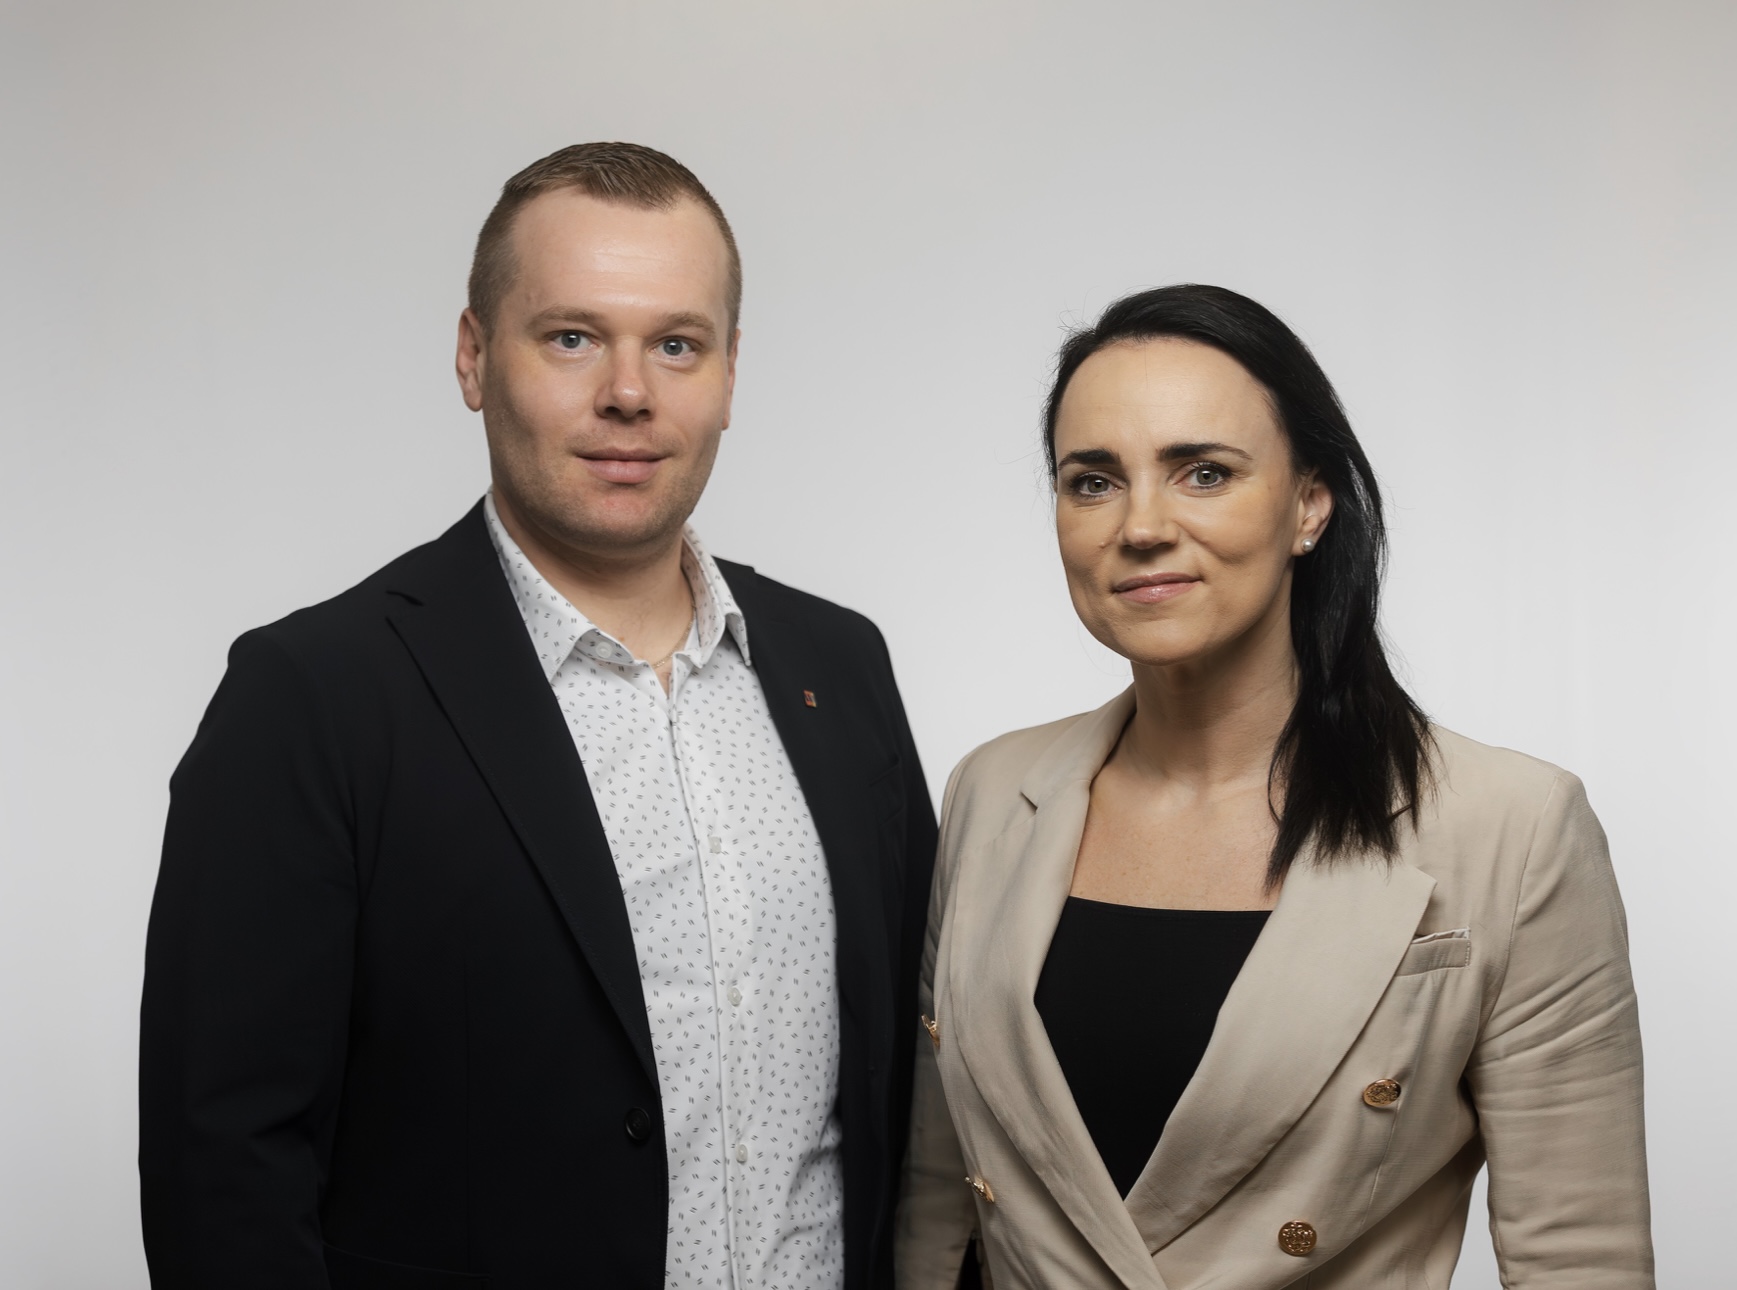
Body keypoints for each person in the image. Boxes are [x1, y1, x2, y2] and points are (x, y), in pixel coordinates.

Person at [140, 142, 937, 1290]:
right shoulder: (313, 696)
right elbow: (223, 1172)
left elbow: (912, 1091)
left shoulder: (839, 667)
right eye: (571, 337)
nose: (629, 392)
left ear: (729, 373)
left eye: (676, 344)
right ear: (473, 356)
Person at [895, 285, 1653, 1288]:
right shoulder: (992, 793)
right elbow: (935, 1215)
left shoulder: (1510, 827)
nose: (1141, 525)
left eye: (1203, 472)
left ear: (1308, 504)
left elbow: (1579, 1258)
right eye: (1093, 481)